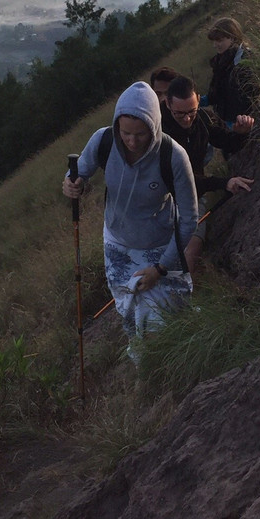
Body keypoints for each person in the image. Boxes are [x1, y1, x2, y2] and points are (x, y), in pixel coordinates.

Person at [63, 81, 198, 342]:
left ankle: (179, 363)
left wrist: (160, 269)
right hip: (117, 245)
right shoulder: (103, 140)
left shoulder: (173, 157)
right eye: (125, 133)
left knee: (169, 321)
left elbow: (189, 219)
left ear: (155, 128)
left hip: (160, 246)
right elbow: (78, 172)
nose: (132, 141)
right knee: (133, 315)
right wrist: (71, 183)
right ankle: (145, 365)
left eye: (141, 134)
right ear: (116, 126)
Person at [162, 75, 255, 273]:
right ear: (168, 104)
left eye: (191, 112)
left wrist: (241, 132)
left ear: (198, 99)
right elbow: (178, 179)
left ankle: (184, 299)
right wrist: (224, 183)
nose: (187, 119)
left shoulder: (203, 119)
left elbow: (227, 141)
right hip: (161, 200)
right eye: (179, 114)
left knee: (192, 247)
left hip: (193, 197)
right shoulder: (157, 132)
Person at [204, 17, 257, 126]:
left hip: (242, 123)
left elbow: (247, 97)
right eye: (214, 41)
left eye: (219, 40)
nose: (215, 45)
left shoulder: (245, 60)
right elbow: (216, 94)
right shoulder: (221, 61)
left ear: (232, 38)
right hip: (225, 121)